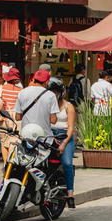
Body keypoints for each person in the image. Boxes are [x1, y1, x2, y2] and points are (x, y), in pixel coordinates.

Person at [50, 80, 76, 209]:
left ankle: (70, 193)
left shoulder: (68, 106)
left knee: (67, 163)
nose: (54, 94)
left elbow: (71, 128)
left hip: (65, 136)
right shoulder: (47, 105)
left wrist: (64, 143)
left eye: (56, 91)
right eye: (51, 91)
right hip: (49, 135)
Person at [0, 68, 23, 163]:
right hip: (16, 117)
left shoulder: (0, 89)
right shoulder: (21, 91)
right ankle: (12, 163)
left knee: (4, 142)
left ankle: (6, 164)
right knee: (15, 141)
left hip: (3, 116)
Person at [15, 69, 57, 140]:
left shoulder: (22, 93)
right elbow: (53, 120)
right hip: (44, 138)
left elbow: (17, 117)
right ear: (47, 82)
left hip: (26, 135)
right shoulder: (51, 95)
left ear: (33, 79)